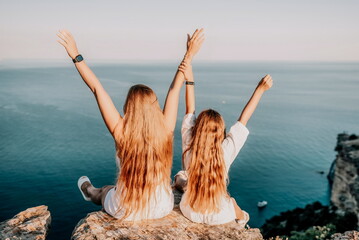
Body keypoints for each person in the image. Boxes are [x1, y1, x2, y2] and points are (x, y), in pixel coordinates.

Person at [56, 28, 204, 220]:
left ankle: (90, 191)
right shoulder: (165, 130)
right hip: (161, 207)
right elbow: (175, 89)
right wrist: (189, 54)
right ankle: (96, 191)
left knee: (106, 191)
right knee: (167, 181)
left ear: (129, 106)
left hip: (125, 208)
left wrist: (75, 54)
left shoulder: (121, 131)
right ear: (154, 106)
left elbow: (96, 89)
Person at [175, 55, 273, 227]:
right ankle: (243, 219)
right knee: (232, 201)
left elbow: (190, 109)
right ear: (220, 132)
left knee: (181, 178)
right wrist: (260, 90)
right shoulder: (225, 150)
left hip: (189, 210)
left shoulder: (189, 143)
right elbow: (243, 119)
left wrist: (190, 80)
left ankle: (182, 182)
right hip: (219, 215)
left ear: (197, 128)